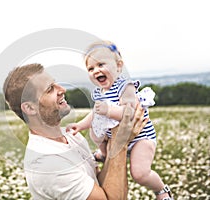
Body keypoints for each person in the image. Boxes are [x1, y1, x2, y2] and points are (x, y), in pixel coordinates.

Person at [3, 63, 149, 200]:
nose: (62, 89)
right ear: (30, 108)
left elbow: (100, 184)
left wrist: (115, 139)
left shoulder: (71, 135)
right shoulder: (46, 163)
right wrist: (120, 143)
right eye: (50, 89)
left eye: (55, 83)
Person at [66, 41, 173, 200]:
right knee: (95, 130)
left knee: (140, 174)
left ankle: (162, 191)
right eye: (91, 68)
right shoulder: (99, 92)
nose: (96, 70)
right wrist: (80, 125)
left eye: (101, 64)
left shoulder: (124, 86)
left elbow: (130, 112)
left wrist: (109, 110)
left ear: (118, 66)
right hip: (117, 139)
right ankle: (103, 153)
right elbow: (95, 113)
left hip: (140, 138)